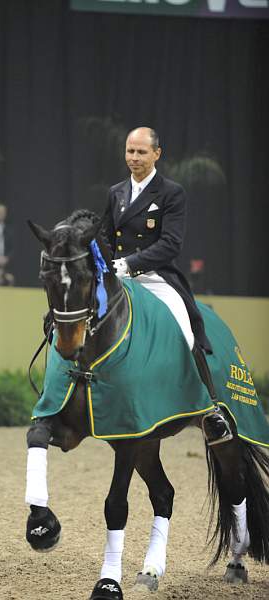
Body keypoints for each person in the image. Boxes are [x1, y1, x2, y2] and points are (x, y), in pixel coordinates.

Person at [104, 126, 231, 446]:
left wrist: (131, 264)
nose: (134, 158)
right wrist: (102, 260)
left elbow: (171, 244)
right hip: (117, 274)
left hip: (155, 276)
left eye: (141, 152)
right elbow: (106, 236)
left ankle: (210, 405)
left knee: (187, 329)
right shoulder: (116, 192)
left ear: (157, 154)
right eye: (130, 151)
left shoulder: (171, 192)